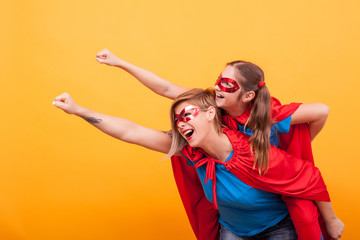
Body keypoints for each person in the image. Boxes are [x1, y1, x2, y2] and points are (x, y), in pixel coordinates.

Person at [94, 49, 344, 239]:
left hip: (276, 202)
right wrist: (119, 62)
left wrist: (294, 147)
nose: (217, 87)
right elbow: (166, 87)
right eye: (218, 80)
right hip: (234, 221)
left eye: (226, 84)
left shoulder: (268, 117)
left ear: (247, 96)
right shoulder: (212, 108)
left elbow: (321, 111)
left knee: (304, 217)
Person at [53, 89, 342, 240]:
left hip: (279, 228)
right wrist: (79, 110)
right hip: (234, 231)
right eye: (177, 119)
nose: (181, 122)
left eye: (187, 114)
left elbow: (308, 178)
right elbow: (131, 131)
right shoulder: (189, 152)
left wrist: (329, 220)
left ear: (209, 114)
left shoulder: (252, 147)